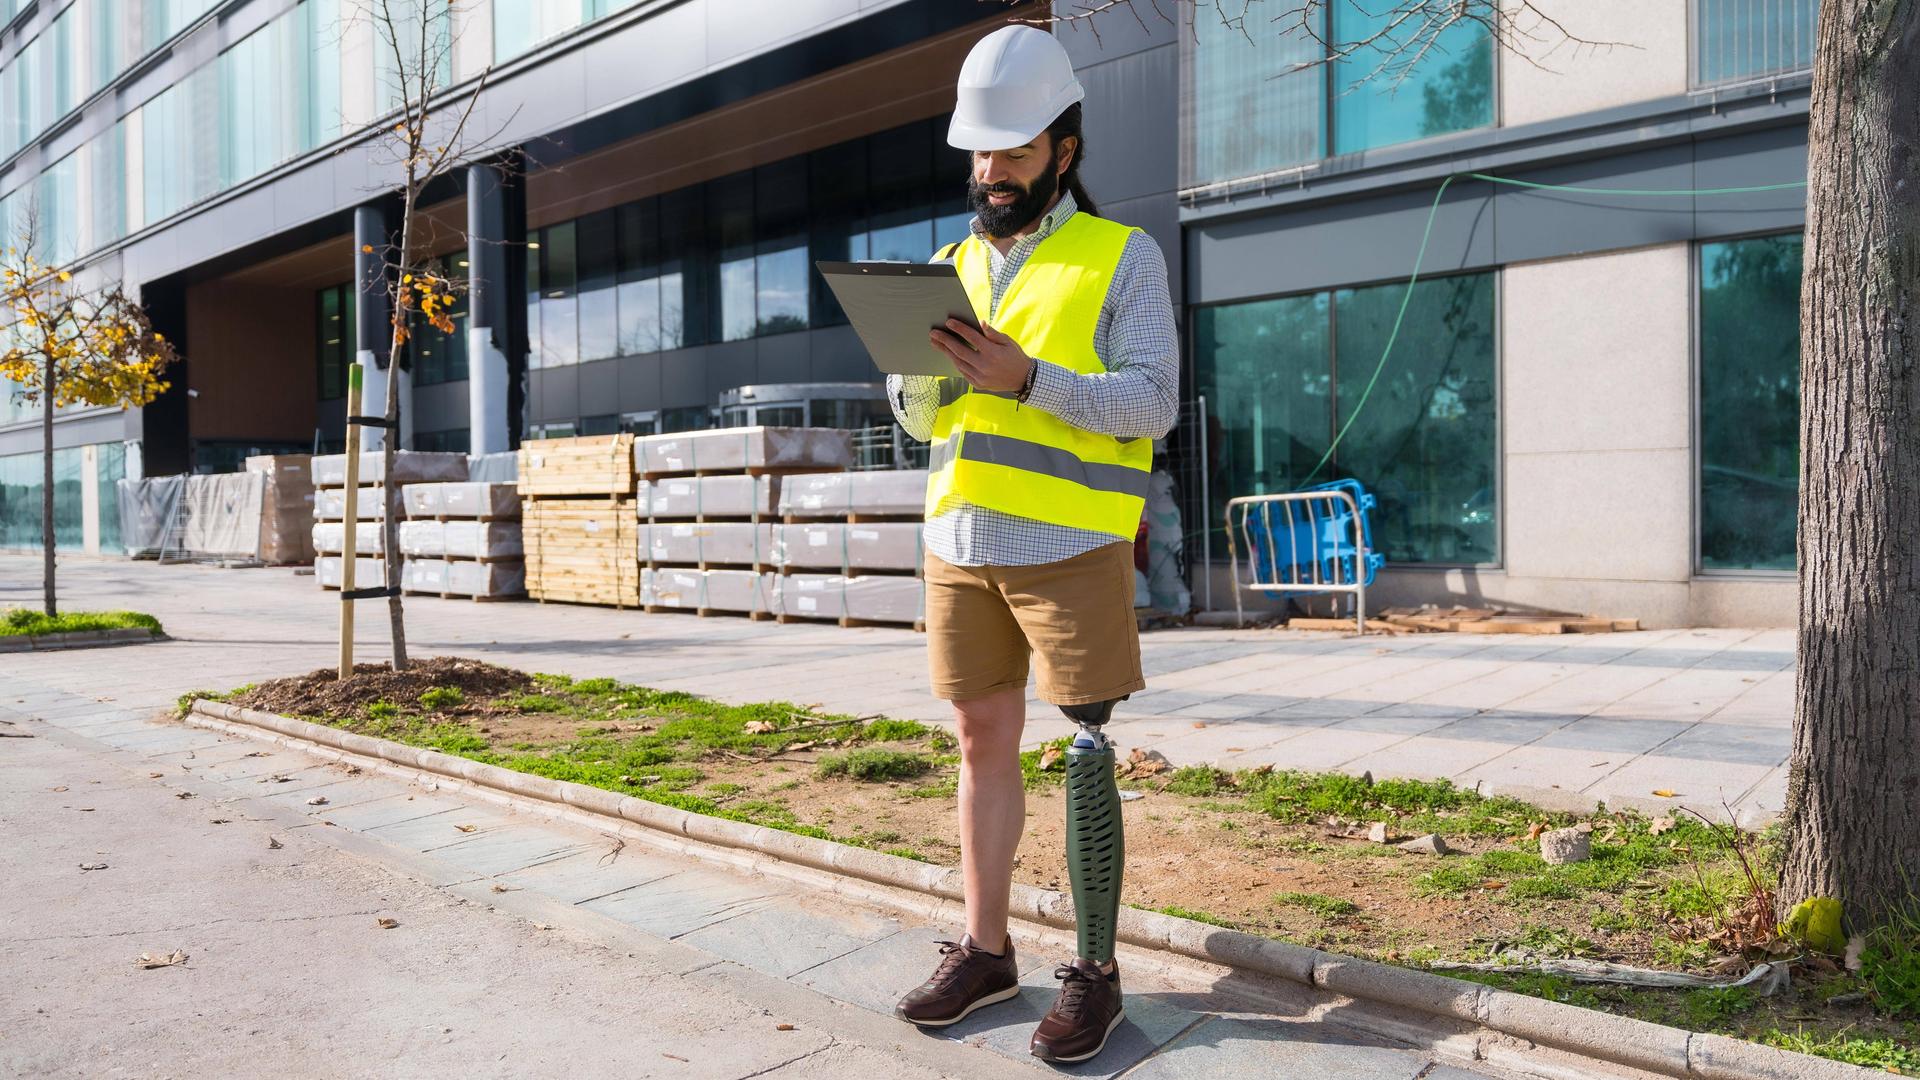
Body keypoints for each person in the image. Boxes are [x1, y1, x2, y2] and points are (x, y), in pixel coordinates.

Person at [885, 24, 1179, 1066]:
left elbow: (1155, 401)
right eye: (980, 152)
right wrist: (911, 376)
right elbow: (923, 423)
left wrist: (1026, 379)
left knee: (1088, 746)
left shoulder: (1120, 256)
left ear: (1065, 148)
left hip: (1068, 543)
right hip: (957, 539)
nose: (991, 171)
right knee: (978, 742)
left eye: (1012, 151)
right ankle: (987, 949)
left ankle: (1094, 977)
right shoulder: (949, 263)